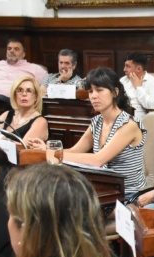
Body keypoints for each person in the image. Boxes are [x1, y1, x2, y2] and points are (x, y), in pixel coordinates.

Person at [29, 67, 146, 196]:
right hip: (104, 188)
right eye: (90, 91)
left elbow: (98, 160)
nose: (93, 96)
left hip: (128, 194)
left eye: (99, 90)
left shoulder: (129, 124)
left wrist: (53, 154)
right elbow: (74, 151)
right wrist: (46, 150)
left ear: (115, 92)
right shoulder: (97, 121)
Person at [0, 76, 49, 146]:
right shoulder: (6, 114)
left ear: (36, 97)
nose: (24, 94)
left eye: (29, 91)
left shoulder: (40, 122)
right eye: (20, 90)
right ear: (14, 95)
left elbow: (23, 147)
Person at [0, 38, 47, 102]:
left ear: (23, 54)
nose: (11, 51)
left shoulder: (33, 68)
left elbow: (48, 79)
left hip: (13, 102)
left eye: (16, 49)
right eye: (9, 49)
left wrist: (37, 95)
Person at [119, 52, 154, 120]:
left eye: (128, 66)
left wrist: (138, 87)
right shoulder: (123, 80)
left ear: (139, 69)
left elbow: (152, 106)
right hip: (120, 116)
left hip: (141, 120)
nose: (124, 70)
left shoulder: (153, 83)